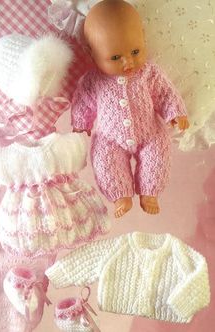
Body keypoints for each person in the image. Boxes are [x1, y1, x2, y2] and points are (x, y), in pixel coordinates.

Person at [71, 0, 189, 218]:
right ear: (91, 52)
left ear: (143, 37)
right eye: (115, 57)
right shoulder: (93, 81)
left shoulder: (148, 72)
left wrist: (175, 113)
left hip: (150, 133)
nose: (128, 62)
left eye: (135, 51)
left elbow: (164, 93)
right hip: (109, 138)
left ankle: (149, 192)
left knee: (158, 154)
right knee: (105, 161)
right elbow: (83, 102)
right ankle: (120, 194)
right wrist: (81, 124)